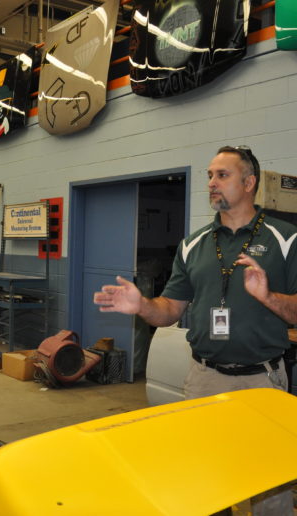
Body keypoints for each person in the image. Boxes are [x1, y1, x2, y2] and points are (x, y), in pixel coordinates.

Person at [94, 145, 297, 515]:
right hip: (205, 380)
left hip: (263, 381)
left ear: (249, 183)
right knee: (204, 479)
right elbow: (170, 309)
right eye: (209, 175)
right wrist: (142, 306)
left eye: (223, 175)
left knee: (270, 489)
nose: (212, 183)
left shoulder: (285, 239)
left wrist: (268, 297)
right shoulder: (193, 245)